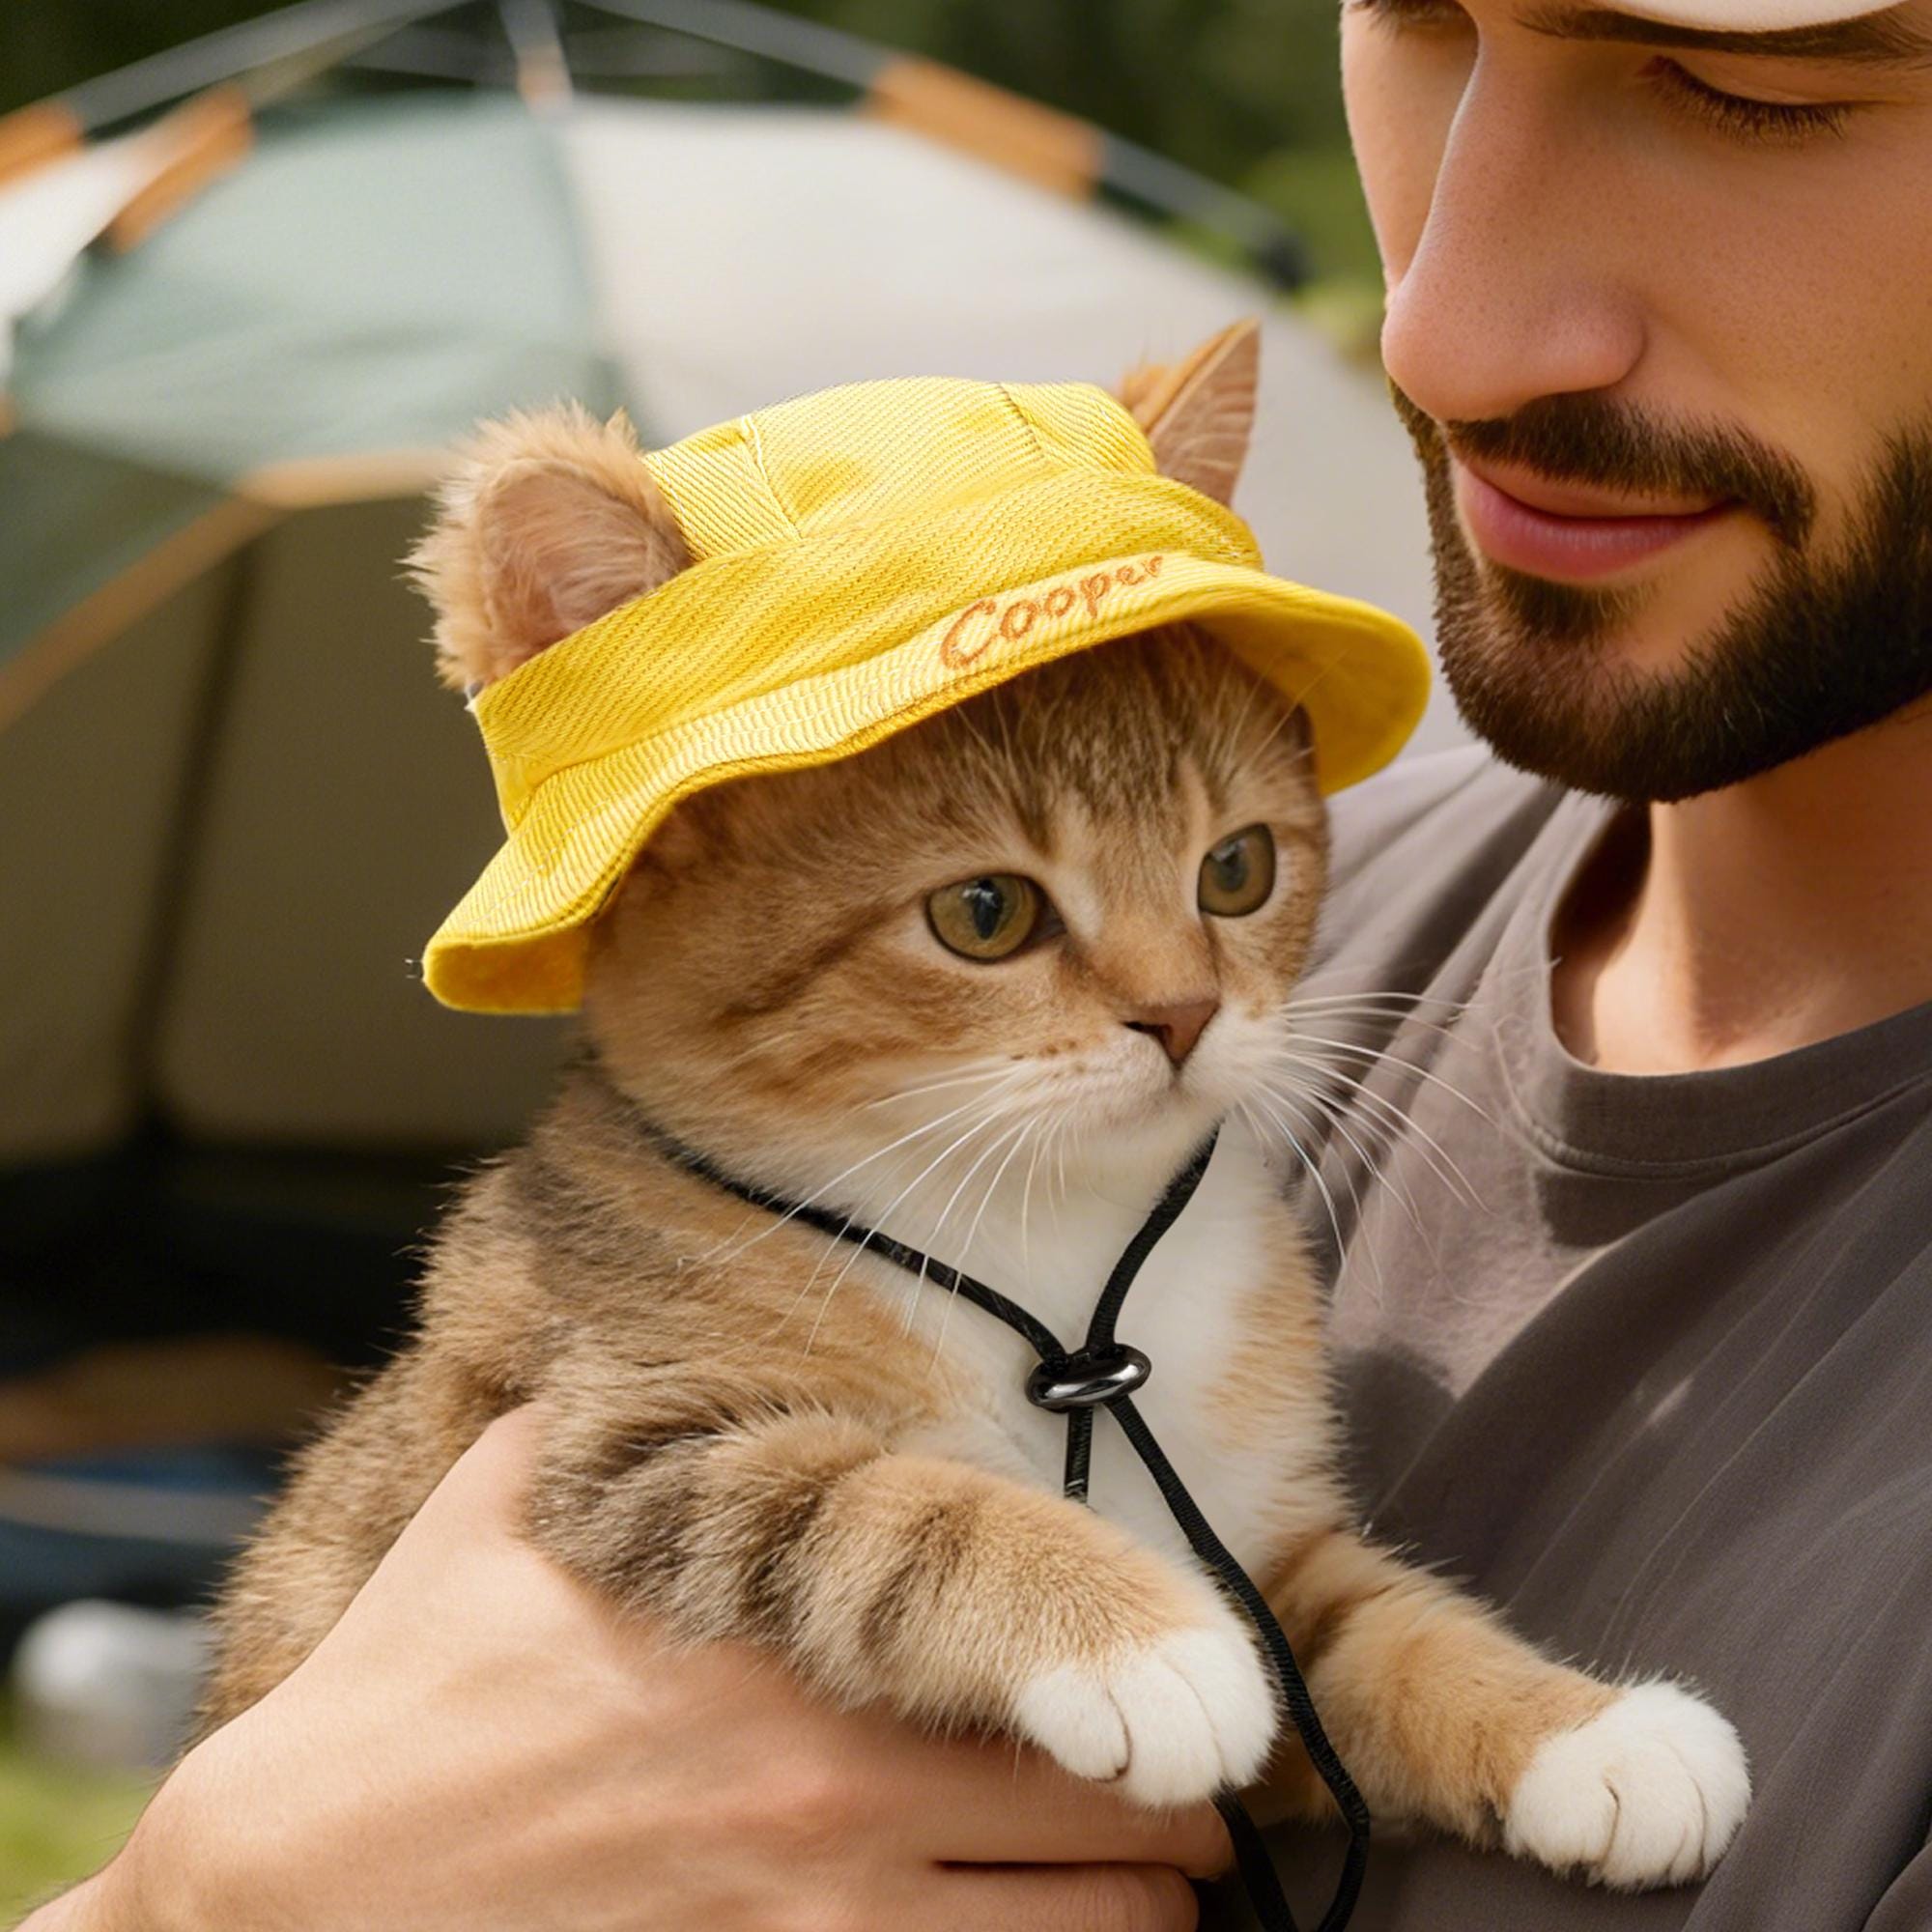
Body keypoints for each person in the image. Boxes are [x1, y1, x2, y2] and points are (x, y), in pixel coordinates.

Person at [25, 0, 1932, 1925]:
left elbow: (1262, 1621)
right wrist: (192, 1897)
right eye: (1411, 20)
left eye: (1755, 87)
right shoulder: (1312, 974)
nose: (1431, 334)